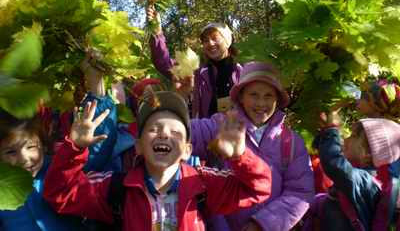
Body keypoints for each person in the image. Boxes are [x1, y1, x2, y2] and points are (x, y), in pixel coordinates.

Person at [43, 91, 272, 230]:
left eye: (175, 131)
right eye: (154, 129)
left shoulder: (204, 183)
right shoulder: (115, 188)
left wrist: (240, 157)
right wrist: (74, 148)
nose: (164, 134)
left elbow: (258, 189)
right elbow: (59, 193)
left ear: (187, 150)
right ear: (139, 146)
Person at [190, 61, 315, 231]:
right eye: (254, 95)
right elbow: (189, 132)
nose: (261, 103)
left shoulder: (291, 142)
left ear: (277, 100)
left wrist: (262, 224)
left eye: (268, 96)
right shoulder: (223, 126)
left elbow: (300, 193)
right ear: (241, 96)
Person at [147, 6, 242, 118]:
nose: (210, 43)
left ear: (227, 41)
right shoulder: (196, 71)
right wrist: (157, 31)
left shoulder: (243, 69)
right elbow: (164, 63)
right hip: (205, 132)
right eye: (205, 40)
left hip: (239, 131)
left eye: (215, 38)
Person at [316, 110, 400, 230]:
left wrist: (331, 130)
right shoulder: (363, 177)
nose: (347, 138)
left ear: (369, 153)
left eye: (354, 136)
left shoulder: (365, 182)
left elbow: (334, 163)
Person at [0, 111, 84, 231]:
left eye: (31, 147)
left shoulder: (58, 172)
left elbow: (95, 160)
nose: (24, 159)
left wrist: (78, 145)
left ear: (43, 145)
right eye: (11, 152)